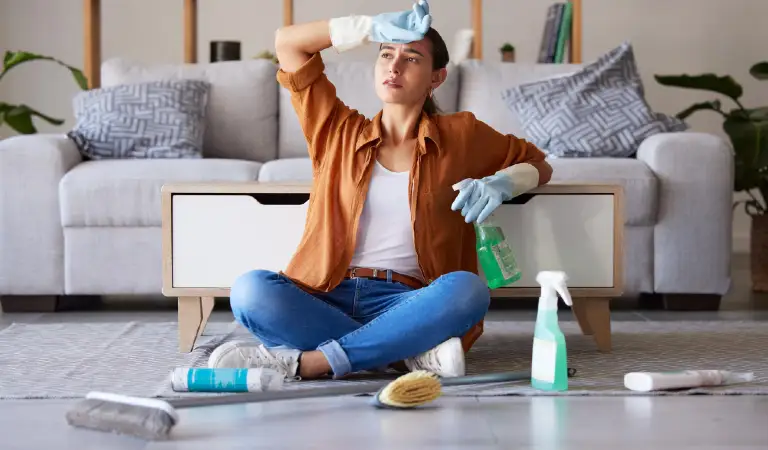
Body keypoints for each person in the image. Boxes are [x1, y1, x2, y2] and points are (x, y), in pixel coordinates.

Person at [207, 0, 552, 380]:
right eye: (387, 53)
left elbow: (538, 163)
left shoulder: (461, 134)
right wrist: (370, 26)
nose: (394, 65)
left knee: (468, 291)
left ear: (437, 78)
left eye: (412, 58)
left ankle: (312, 362)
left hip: (408, 302)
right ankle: (405, 357)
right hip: (326, 295)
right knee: (250, 291)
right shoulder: (336, 130)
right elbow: (289, 44)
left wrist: (502, 183)